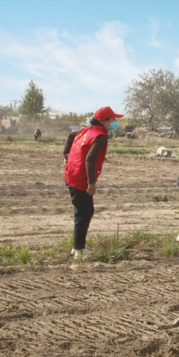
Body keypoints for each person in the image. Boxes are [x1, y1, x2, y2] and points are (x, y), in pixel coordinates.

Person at [63, 107, 123, 259]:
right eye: (112, 119)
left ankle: (78, 246)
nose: (115, 122)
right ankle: (78, 250)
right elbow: (90, 159)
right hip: (80, 179)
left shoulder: (87, 130)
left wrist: (66, 155)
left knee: (87, 211)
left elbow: (70, 135)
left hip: (72, 174)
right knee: (83, 213)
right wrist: (91, 183)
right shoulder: (100, 136)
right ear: (104, 121)